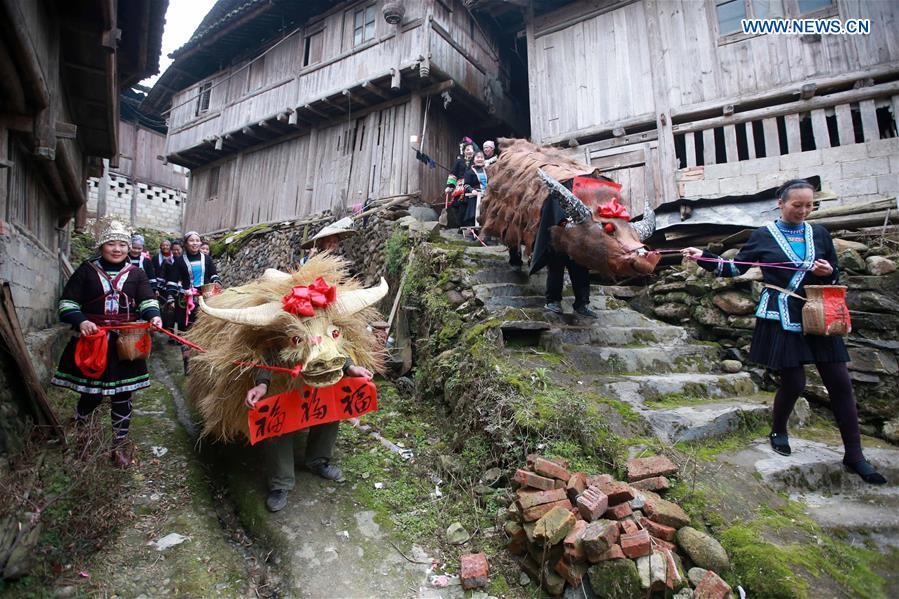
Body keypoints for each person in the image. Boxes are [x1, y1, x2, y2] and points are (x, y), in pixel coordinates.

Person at [682, 179, 886, 485]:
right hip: (782, 315)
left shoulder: (819, 233)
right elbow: (735, 268)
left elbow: (835, 272)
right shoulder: (763, 235)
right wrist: (703, 257)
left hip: (819, 313)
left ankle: (855, 455)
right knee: (794, 382)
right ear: (781, 203)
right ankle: (778, 429)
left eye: (809, 205)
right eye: (797, 205)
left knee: (840, 382)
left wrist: (828, 272)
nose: (803, 211)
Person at [51, 221, 163, 467]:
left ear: (129, 248)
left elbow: (147, 301)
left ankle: (119, 446)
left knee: (123, 395)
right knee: (90, 393)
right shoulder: (86, 270)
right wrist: (81, 321)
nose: (117, 249)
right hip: (93, 341)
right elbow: (67, 303)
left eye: (122, 244)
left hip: (125, 343)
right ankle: (84, 438)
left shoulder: (137, 274)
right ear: (102, 246)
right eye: (111, 244)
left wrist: (154, 316)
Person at [245, 358, 374, 512]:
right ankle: (280, 483)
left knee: (328, 408)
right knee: (277, 422)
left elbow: (335, 345)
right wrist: (262, 383)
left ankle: (318, 460)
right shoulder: (274, 344)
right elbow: (264, 353)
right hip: (281, 378)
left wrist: (350, 367)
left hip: (319, 370)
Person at [166, 231, 221, 373]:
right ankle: (188, 364)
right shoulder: (179, 261)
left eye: (197, 240)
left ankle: (204, 363)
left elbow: (213, 275)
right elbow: (172, 281)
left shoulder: (206, 259)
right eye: (191, 240)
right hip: (185, 301)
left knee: (206, 328)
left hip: (206, 298)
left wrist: (216, 282)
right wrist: (171, 296)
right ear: (185, 243)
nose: (195, 243)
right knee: (187, 332)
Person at [462, 151, 489, 227]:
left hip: (487, 195)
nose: (480, 159)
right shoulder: (469, 172)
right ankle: (474, 229)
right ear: (474, 160)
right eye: (478, 157)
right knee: (474, 211)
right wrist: (472, 190)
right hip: (475, 196)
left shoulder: (488, 171)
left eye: (481, 157)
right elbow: (466, 185)